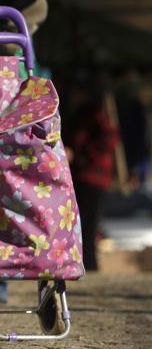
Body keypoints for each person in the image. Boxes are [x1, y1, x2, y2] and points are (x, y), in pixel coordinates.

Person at [64, 73, 120, 270]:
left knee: (89, 221)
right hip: (82, 174)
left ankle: (90, 263)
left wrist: (80, 155)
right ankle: (83, 261)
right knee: (80, 220)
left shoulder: (95, 114)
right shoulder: (80, 113)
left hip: (93, 176)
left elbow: (108, 139)